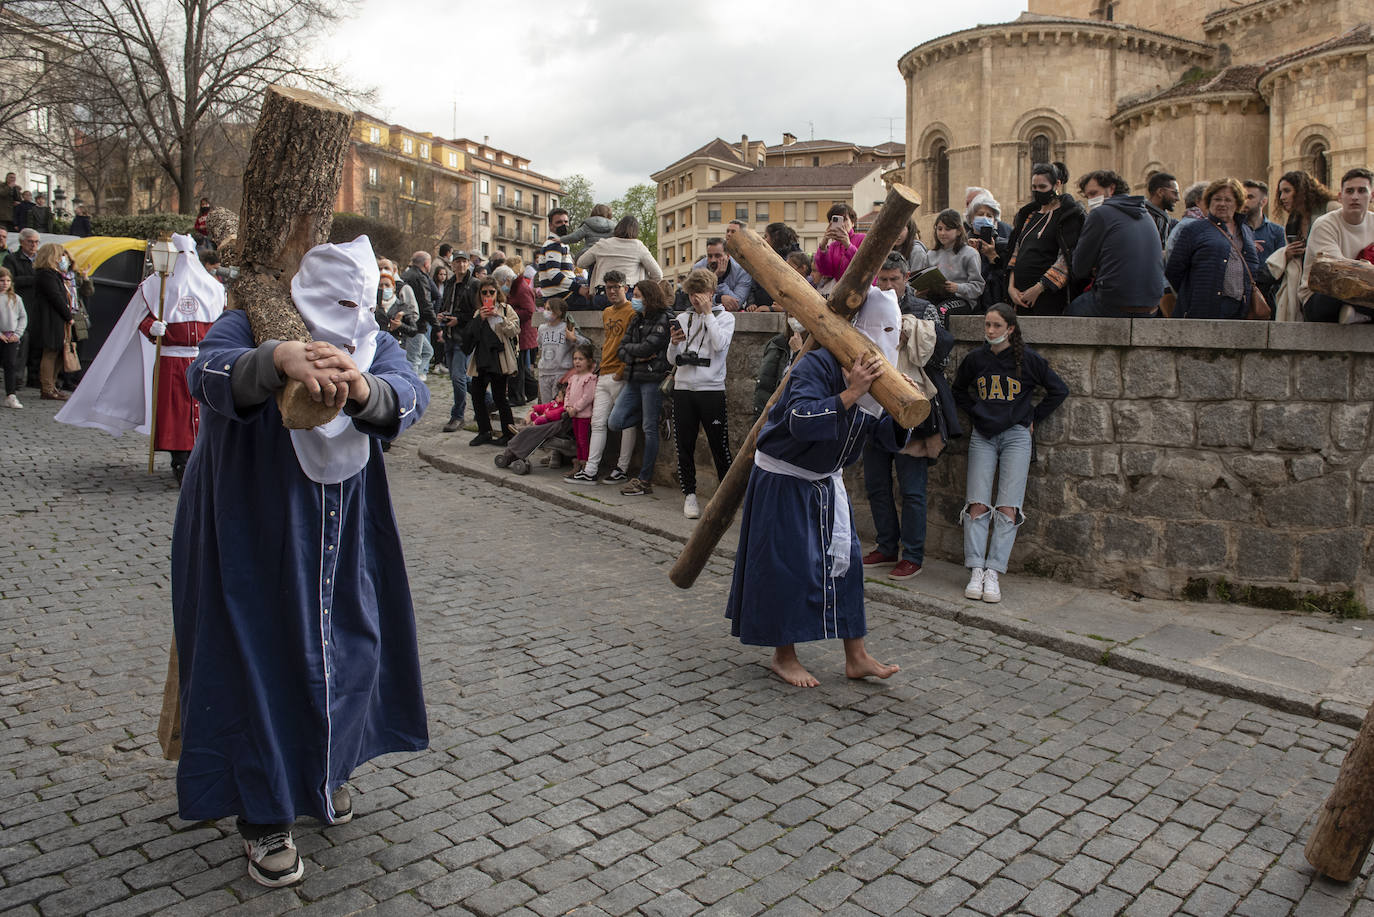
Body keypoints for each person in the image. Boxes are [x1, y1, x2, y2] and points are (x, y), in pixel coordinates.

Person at [171, 235, 427, 888]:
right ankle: (265, 814)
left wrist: (365, 388)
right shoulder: (249, 319)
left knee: (352, 648)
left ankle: (324, 771)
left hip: (346, 529)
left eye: (358, 299)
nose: (349, 311)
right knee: (261, 657)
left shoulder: (371, 337)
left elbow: (408, 392)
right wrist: (277, 358)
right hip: (255, 523)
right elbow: (206, 372)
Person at [726, 287, 905, 688]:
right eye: (885, 330)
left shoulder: (880, 376)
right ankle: (783, 655)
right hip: (784, 479)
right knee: (787, 567)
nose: (891, 340)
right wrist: (851, 393)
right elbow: (800, 420)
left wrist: (902, 409)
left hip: (827, 485)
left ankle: (856, 656)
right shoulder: (817, 365)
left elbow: (886, 439)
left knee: (848, 566)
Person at [58, 234, 225, 480]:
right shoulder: (155, 286)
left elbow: (222, 319)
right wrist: (152, 327)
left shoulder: (213, 288)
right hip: (172, 359)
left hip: (202, 360)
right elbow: (139, 318)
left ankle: (203, 458)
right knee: (175, 413)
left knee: (203, 412)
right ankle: (180, 460)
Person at [953, 304, 1068, 604]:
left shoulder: (1028, 360)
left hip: (1017, 436)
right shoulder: (976, 360)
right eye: (987, 325)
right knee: (977, 503)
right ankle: (976, 568)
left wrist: (1032, 418)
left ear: (1011, 329)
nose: (990, 331)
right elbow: (958, 391)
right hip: (984, 435)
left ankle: (994, 571)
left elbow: (1059, 390)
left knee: (1008, 507)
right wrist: (977, 413)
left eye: (996, 326)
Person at [861, 254, 957, 581]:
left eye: (894, 280)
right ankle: (886, 545)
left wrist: (909, 336)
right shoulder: (868, 305)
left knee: (912, 489)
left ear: (906, 278)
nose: (888, 286)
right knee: (876, 484)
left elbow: (940, 358)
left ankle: (913, 555)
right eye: (882, 280)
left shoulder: (923, 309)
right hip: (874, 406)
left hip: (911, 409)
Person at [667, 268, 734, 518]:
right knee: (684, 444)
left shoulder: (725, 318)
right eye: (692, 294)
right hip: (684, 389)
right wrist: (673, 343)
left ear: (712, 292)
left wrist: (708, 315)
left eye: (701, 293)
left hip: (711, 390)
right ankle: (690, 495)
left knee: (719, 445)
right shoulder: (683, 318)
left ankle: (725, 497)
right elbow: (672, 359)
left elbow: (719, 346)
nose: (696, 299)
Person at [564, 269, 638, 485]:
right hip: (604, 372)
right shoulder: (606, 312)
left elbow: (632, 343)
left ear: (625, 288)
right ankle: (591, 469)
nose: (612, 291)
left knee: (626, 424)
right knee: (597, 422)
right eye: (609, 288)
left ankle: (622, 468)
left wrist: (622, 370)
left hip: (620, 374)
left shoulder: (633, 311)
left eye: (616, 287)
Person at [1066, 169, 1165, 318]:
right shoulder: (1145, 214)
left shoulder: (1100, 213)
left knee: (1068, 314)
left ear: (1111, 189)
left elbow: (1079, 268)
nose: (1091, 200)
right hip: (1152, 305)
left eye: (1093, 193)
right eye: (1087, 197)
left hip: (1115, 302)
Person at [607, 279, 672, 496]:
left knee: (649, 429)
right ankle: (653, 415)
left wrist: (636, 354)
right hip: (634, 377)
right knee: (615, 421)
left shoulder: (664, 319)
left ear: (648, 297)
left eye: (637, 295)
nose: (634, 299)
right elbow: (622, 350)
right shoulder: (636, 319)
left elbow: (648, 348)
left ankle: (644, 480)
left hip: (652, 379)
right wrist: (638, 356)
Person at [1165, 177, 1263, 320]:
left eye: (1228, 200)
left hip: (1239, 309)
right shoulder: (1193, 230)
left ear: (1237, 203)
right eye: (1217, 199)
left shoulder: (1246, 231)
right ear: (1209, 202)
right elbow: (1174, 270)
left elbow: (1252, 267)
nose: (1222, 204)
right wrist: (1194, 294)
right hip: (1203, 308)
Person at [1005, 162, 1084, 315]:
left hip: (1048, 296)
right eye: (1034, 187)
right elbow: (1017, 251)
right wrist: (1011, 287)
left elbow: (1067, 257)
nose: (1037, 191)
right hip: (1019, 296)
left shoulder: (1069, 215)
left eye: (1042, 187)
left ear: (1057, 184)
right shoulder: (1029, 215)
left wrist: (1039, 288)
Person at [1299, 167, 1374, 323]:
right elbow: (1336, 271)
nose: (1355, 197)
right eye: (1349, 191)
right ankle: (1363, 315)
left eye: (1361, 191)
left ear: (1371, 196)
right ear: (1340, 197)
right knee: (1338, 289)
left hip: (1367, 291)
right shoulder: (1325, 224)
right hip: (1322, 295)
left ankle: (1360, 315)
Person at [463, 276, 519, 446]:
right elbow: (469, 336)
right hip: (482, 358)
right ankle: (484, 431)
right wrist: (479, 319)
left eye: (491, 292)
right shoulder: (477, 312)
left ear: (497, 293)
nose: (488, 295)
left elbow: (515, 330)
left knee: (500, 397)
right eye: (484, 292)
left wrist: (499, 318)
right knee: (477, 395)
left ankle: (508, 433)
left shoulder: (505, 309)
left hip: (499, 358)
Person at [437, 251, 478, 432]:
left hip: (464, 337)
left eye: (464, 262)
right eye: (457, 262)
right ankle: (488, 400)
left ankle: (457, 416)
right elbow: (446, 304)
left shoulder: (474, 284)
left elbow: (477, 312)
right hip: (449, 334)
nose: (461, 265)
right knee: (462, 378)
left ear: (468, 264)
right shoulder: (449, 284)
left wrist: (459, 319)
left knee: (457, 377)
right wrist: (442, 315)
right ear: (452, 265)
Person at [917, 209, 984, 316]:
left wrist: (957, 287)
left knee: (942, 311)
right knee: (918, 309)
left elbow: (978, 287)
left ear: (958, 231)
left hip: (962, 300)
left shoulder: (970, 254)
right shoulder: (931, 254)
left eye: (947, 229)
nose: (942, 233)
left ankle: (941, 333)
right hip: (936, 297)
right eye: (939, 229)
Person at [576, 215, 663, 292]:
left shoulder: (602, 244)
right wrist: (644, 288)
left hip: (603, 292)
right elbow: (658, 274)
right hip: (628, 293)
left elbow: (581, 263)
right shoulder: (638, 246)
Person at [32, 242, 74, 400]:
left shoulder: (53, 274)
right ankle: (47, 388)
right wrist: (68, 316)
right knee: (50, 352)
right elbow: (55, 297)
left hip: (55, 319)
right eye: (60, 255)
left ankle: (52, 385)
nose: (63, 258)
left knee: (56, 352)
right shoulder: (46, 274)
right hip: (49, 319)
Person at [5, 228, 38, 388]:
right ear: (21, 242)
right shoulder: (12, 259)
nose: (34, 245)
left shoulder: (39, 260)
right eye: (30, 241)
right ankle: (17, 377)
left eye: (36, 242)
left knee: (36, 342)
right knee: (21, 340)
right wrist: (34, 279)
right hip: (19, 305)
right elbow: (10, 281)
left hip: (37, 306)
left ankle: (33, 377)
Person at [536, 295, 583, 402]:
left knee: (558, 404)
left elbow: (585, 343)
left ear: (558, 312)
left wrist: (573, 339)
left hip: (561, 373)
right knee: (546, 405)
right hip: (544, 372)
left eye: (549, 309)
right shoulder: (542, 329)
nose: (546, 312)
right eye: (545, 308)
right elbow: (540, 344)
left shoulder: (566, 328)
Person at [399, 251, 438, 379]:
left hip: (407, 321)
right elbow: (426, 303)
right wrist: (436, 325)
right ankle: (412, 385)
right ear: (427, 264)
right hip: (416, 324)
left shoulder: (405, 274)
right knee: (413, 359)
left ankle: (417, 378)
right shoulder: (420, 277)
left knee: (428, 352)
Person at [747, 223, 801, 312]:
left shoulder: (794, 259)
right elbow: (754, 285)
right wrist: (751, 303)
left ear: (775, 237)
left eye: (766, 236)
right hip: (760, 310)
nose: (763, 240)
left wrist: (773, 309)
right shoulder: (762, 258)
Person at [814, 203, 865, 292]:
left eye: (844, 219)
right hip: (841, 293)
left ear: (852, 222)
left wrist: (848, 245)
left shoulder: (863, 238)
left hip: (861, 290)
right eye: (836, 220)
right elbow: (826, 272)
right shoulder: (833, 246)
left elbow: (863, 264)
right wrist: (823, 246)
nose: (841, 224)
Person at [564, 343, 597, 478]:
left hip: (583, 415)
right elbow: (567, 393)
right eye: (575, 359)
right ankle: (578, 463)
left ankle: (585, 464)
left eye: (581, 359)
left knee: (583, 440)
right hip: (574, 414)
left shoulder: (590, 378)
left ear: (589, 361)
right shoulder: (573, 378)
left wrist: (576, 408)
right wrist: (567, 406)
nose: (577, 361)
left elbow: (587, 397)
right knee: (577, 440)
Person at [692, 238, 752, 311]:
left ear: (728, 256)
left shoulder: (742, 270)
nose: (713, 260)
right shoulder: (699, 268)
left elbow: (737, 304)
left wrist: (719, 281)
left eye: (718, 256)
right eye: (710, 256)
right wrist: (719, 298)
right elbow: (695, 298)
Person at [537, 209, 576, 301]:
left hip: (561, 293)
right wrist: (578, 288)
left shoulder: (561, 244)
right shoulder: (554, 245)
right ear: (550, 226)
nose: (564, 225)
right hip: (560, 296)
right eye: (559, 222)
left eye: (566, 222)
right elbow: (553, 274)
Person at [0, 267, 25, 407]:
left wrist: (17, 333)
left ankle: (11, 395)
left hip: (11, 337)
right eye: (2, 280)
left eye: (8, 280)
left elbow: (23, 317)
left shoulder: (16, 299)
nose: (5, 283)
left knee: (10, 364)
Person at [1144, 172, 1180, 248]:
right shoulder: (1144, 217)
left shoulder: (1166, 220)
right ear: (1160, 192)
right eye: (1175, 193)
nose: (1178, 198)